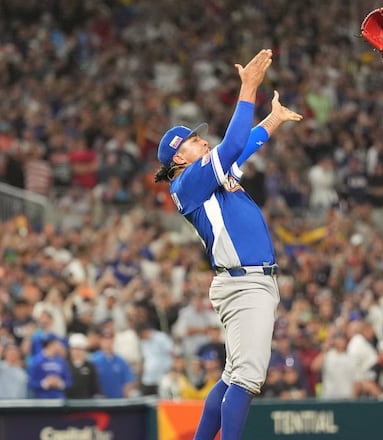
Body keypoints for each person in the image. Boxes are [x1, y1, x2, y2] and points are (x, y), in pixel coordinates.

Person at [153, 48, 302, 440]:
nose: (201, 141)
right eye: (192, 141)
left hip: (247, 281)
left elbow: (245, 144)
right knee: (248, 379)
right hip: (244, 282)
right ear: (177, 159)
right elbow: (234, 142)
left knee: (233, 376)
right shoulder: (188, 181)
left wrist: (272, 120)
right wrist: (248, 88)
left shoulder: (206, 177)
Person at [89, 329, 135, 398]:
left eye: (110, 339)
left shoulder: (121, 361)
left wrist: (125, 396)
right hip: (100, 401)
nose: (107, 342)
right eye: (105, 339)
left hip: (117, 400)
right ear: (100, 341)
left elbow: (128, 380)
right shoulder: (93, 360)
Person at [27, 333, 72, 399]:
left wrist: (59, 383)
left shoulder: (61, 361)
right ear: (51, 344)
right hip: (42, 400)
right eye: (58, 343)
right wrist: (45, 383)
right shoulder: (36, 361)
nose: (60, 345)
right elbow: (31, 382)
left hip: (59, 400)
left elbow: (69, 381)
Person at [66, 333, 100, 399]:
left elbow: (96, 389)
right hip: (69, 405)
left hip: (86, 405)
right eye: (75, 349)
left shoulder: (90, 367)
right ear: (70, 350)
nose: (77, 352)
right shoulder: (65, 366)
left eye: (80, 349)